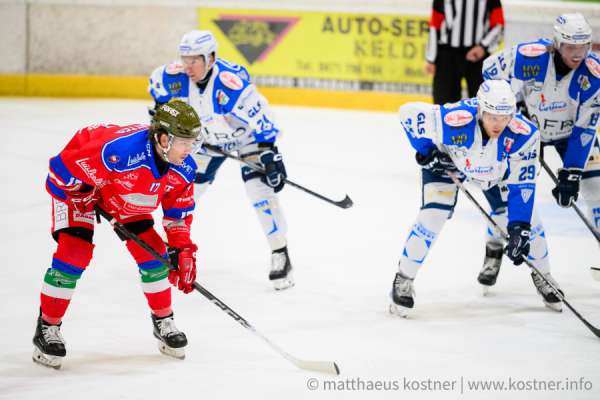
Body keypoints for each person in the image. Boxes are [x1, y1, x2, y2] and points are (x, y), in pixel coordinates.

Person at [34, 100, 202, 369]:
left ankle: (163, 321)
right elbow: (58, 170)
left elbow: (177, 216)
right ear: (162, 138)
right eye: (184, 141)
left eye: (192, 141)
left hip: (122, 191)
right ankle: (47, 328)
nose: (189, 149)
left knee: (156, 257)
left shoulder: (184, 168)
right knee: (74, 253)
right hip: (81, 188)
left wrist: (182, 249)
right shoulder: (118, 152)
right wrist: (80, 192)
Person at [390, 80, 563, 317]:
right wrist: (427, 153)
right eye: (492, 116)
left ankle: (544, 275)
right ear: (480, 109)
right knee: (433, 216)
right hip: (448, 163)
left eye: (505, 117)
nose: (498, 123)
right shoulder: (455, 119)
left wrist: (519, 227)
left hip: (495, 171)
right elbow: (407, 114)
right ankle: (404, 278)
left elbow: (522, 184)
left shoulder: (526, 134)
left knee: (530, 221)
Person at [148, 30, 293, 290]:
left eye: (195, 60)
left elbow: (260, 114)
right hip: (205, 142)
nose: (188, 66)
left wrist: (269, 152)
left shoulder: (230, 81)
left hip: (245, 139)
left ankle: (279, 252)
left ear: (211, 58)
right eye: (185, 58)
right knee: (186, 191)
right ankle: (172, 248)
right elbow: (159, 102)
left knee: (259, 192)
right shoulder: (171, 77)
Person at [480, 13, 600, 286]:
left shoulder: (595, 74)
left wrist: (571, 172)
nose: (578, 54)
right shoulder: (530, 56)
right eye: (571, 47)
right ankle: (494, 245)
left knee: (597, 186)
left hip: (569, 134)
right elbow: (490, 69)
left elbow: (585, 128)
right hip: (526, 133)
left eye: (583, 46)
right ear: (557, 43)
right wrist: (512, 105)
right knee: (512, 191)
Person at [425, 0, 505, 104]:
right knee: (444, 105)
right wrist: (431, 58)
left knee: (483, 103)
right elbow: (435, 25)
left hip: (478, 57)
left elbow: (499, 23)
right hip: (447, 55)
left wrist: (483, 47)